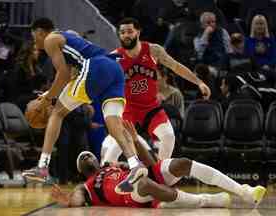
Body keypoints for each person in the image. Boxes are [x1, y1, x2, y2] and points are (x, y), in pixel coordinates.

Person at [21, 17, 147, 193]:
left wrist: (48, 99)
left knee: (57, 113)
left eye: (35, 37)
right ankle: (135, 165)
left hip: (96, 65)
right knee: (114, 126)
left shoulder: (50, 40)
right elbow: (70, 78)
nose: (35, 42)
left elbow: (63, 75)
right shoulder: (68, 40)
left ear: (41, 32)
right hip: (114, 69)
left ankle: (42, 167)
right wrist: (48, 95)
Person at [51, 121, 266, 208]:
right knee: (143, 182)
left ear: (97, 158)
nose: (87, 157)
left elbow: (152, 163)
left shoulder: (115, 165)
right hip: (132, 196)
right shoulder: (85, 185)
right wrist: (68, 200)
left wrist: (135, 139)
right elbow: (78, 201)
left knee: (181, 163)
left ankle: (243, 191)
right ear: (81, 170)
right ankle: (206, 200)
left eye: (88, 155)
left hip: (140, 177)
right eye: (82, 158)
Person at [114, 17, 211, 159]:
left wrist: (199, 82)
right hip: (128, 108)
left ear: (138, 32)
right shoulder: (114, 57)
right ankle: (107, 175)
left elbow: (176, 66)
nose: (126, 35)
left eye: (129, 31)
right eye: (122, 32)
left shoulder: (153, 50)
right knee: (114, 145)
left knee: (168, 137)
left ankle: (160, 173)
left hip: (151, 107)